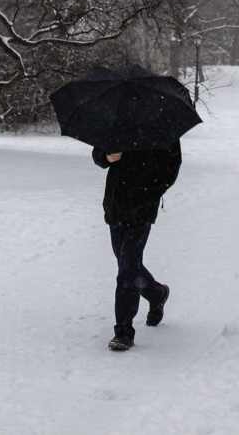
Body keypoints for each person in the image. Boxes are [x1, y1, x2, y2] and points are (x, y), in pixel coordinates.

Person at [92, 142, 181, 352]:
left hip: (142, 209)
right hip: (115, 205)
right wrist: (107, 156)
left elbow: (171, 167)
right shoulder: (116, 119)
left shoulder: (160, 125)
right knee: (128, 266)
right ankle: (157, 293)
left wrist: (149, 191)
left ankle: (123, 331)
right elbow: (98, 154)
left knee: (128, 268)